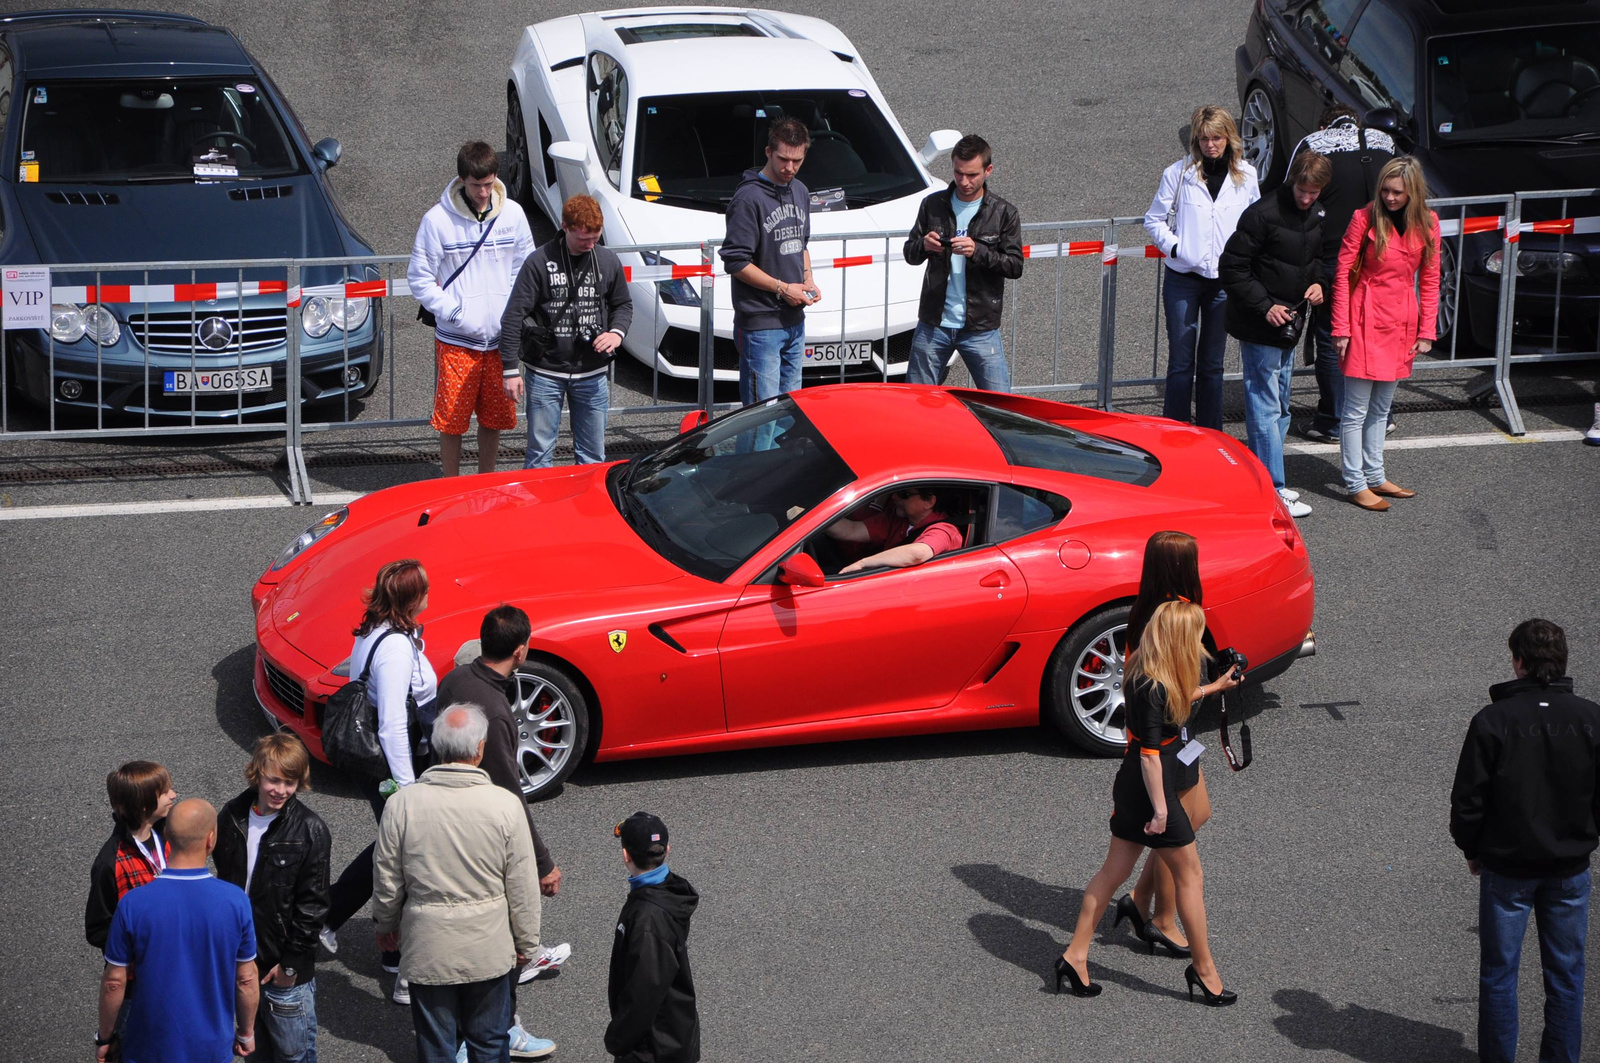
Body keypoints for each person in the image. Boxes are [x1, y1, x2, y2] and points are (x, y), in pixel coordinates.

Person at [1054, 601, 1241, 1005]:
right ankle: (1204, 970)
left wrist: (1214, 687)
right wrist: (1160, 811)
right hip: (1152, 787)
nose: (1198, 644)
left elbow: (1169, 704)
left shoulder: (1143, 668)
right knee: (1191, 875)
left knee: (1111, 872)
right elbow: (1150, 756)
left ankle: (1075, 956)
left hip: (1136, 787)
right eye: (1194, 636)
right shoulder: (1155, 685)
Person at [1451, 619, 1600, 1063]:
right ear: (1563, 660)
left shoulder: (1493, 721)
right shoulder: (1592, 719)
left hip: (1507, 870)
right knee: (1567, 977)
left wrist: (1473, 850)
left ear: (1518, 662)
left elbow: (1468, 800)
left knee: (1499, 976)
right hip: (1569, 871)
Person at [372, 704, 550, 1063]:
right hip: (489, 948)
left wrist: (386, 925)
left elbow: (386, 878)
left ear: (437, 747)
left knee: (436, 1046)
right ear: (480, 749)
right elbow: (522, 884)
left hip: (427, 949)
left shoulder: (402, 805)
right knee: (488, 1041)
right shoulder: (504, 805)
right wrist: (527, 941)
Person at [1112, 531, 1237, 958]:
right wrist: (1218, 683)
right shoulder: (1176, 614)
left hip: (1167, 736)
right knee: (1177, 831)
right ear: (1184, 567)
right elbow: (1181, 682)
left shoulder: (1147, 610)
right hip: (1162, 743)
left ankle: (1138, 899)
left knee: (1197, 814)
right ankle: (1163, 920)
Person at [436, 603, 572, 991]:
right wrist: (543, 863)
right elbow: (510, 793)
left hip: (446, 805)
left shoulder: (457, 679)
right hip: (477, 822)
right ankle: (515, 963)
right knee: (499, 898)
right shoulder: (494, 713)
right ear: (520, 651)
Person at [321, 558, 438, 1005]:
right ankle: (333, 920)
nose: (430, 596)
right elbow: (390, 724)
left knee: (395, 847)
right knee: (401, 847)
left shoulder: (378, 629)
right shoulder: (394, 648)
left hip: (389, 764)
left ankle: (380, 948)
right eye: (424, 590)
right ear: (411, 599)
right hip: (393, 766)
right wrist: (408, 789)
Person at [96, 799, 259, 1063]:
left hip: (148, 1047)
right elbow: (246, 979)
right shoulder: (235, 901)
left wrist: (105, 1038)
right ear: (210, 840)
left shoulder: (133, 904)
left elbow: (114, 982)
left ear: (168, 837)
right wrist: (246, 1032)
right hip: (211, 1049)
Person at [408, 140, 535, 477]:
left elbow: (524, 268)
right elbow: (420, 278)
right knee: (452, 422)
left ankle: (485, 480)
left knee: (494, 418)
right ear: (462, 179)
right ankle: (450, 485)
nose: (483, 192)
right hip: (456, 341)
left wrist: (513, 313)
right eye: (477, 185)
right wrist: (454, 312)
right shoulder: (436, 221)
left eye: (490, 183)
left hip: (499, 341)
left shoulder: (513, 214)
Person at [1219, 149, 1330, 519]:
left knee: (1280, 405)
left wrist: (1319, 283)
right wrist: (1265, 306)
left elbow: (1315, 261)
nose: (1306, 198)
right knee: (1266, 407)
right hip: (1261, 323)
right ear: (1292, 181)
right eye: (1302, 189)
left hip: (1288, 324)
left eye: (1314, 192)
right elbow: (1232, 267)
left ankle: (1266, 482)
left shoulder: (1314, 214)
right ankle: (1273, 488)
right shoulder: (1261, 214)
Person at [213, 734, 330, 1063]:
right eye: (274, 780)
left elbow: (314, 905)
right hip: (243, 960)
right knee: (256, 1054)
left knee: (294, 1057)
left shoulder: (310, 829)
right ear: (257, 774)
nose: (281, 790)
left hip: (284, 971)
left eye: (290, 782)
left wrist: (290, 966)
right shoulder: (232, 815)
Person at [1332, 156, 1440, 512]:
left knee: (1381, 408)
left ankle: (1375, 474)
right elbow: (1343, 275)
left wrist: (1427, 330)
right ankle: (1354, 481)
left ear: (1413, 193)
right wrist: (1341, 328)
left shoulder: (1428, 222)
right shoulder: (1363, 219)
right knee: (1355, 411)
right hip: (1364, 318)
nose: (1390, 198)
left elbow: (1430, 279)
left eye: (1398, 193)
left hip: (1402, 322)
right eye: (1386, 190)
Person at [1287, 106, 1397, 443]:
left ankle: (1333, 420)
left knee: (1332, 338)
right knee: (1375, 337)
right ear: (1357, 122)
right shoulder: (1385, 143)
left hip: (1335, 258)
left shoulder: (1314, 143)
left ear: (1325, 124)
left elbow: (1290, 195)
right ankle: (1382, 416)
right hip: (1383, 257)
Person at [1144, 107, 1259, 429]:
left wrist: (1243, 259)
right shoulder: (1177, 174)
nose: (1211, 145)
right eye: (1205, 138)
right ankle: (1176, 430)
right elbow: (1154, 220)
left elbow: (1254, 225)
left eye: (1217, 138)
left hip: (1224, 283)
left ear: (1229, 139)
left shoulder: (1247, 176)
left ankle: (1211, 432)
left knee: (1212, 364)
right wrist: (1177, 248)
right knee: (1181, 362)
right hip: (1182, 279)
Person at [498, 194, 633, 468]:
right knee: (539, 455)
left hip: (592, 374)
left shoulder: (607, 261)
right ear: (565, 226)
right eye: (584, 239)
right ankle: (538, 510)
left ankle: (588, 510)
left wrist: (616, 333)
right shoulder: (538, 262)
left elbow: (623, 304)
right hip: (545, 373)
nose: (590, 245)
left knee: (593, 457)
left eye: (595, 238)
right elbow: (513, 316)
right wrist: (510, 370)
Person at [903, 134, 1024, 392]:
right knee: (916, 402)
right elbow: (909, 254)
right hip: (934, 323)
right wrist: (923, 245)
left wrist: (977, 251)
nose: (964, 181)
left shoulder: (1004, 213)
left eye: (972, 175)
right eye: (958, 173)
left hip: (980, 327)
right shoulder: (932, 204)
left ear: (988, 170)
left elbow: (1015, 266)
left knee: (999, 405)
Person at [720, 116, 821, 408]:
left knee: (789, 411)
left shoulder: (800, 191)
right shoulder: (748, 198)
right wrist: (782, 288)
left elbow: (801, 244)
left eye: (797, 160)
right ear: (768, 153)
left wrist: (808, 279)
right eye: (783, 159)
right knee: (760, 415)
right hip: (761, 324)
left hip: (794, 320)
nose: (790, 168)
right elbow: (735, 262)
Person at [606, 812, 700, 1063]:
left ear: (626, 855)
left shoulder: (647, 919)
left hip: (652, 1049)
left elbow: (644, 991)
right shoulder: (669, 893)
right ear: (666, 849)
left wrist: (617, 1038)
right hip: (674, 1034)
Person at [86, 761, 178, 952]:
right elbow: (98, 930)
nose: (173, 795)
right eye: (164, 792)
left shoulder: (170, 836)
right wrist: (143, 936)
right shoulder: (110, 862)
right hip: (139, 969)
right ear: (143, 804)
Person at [824, 486, 963, 573]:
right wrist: (817, 516)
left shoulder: (944, 530)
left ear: (929, 502)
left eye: (904, 494)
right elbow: (851, 530)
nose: (894, 497)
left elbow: (917, 553)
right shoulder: (898, 518)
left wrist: (862, 564)